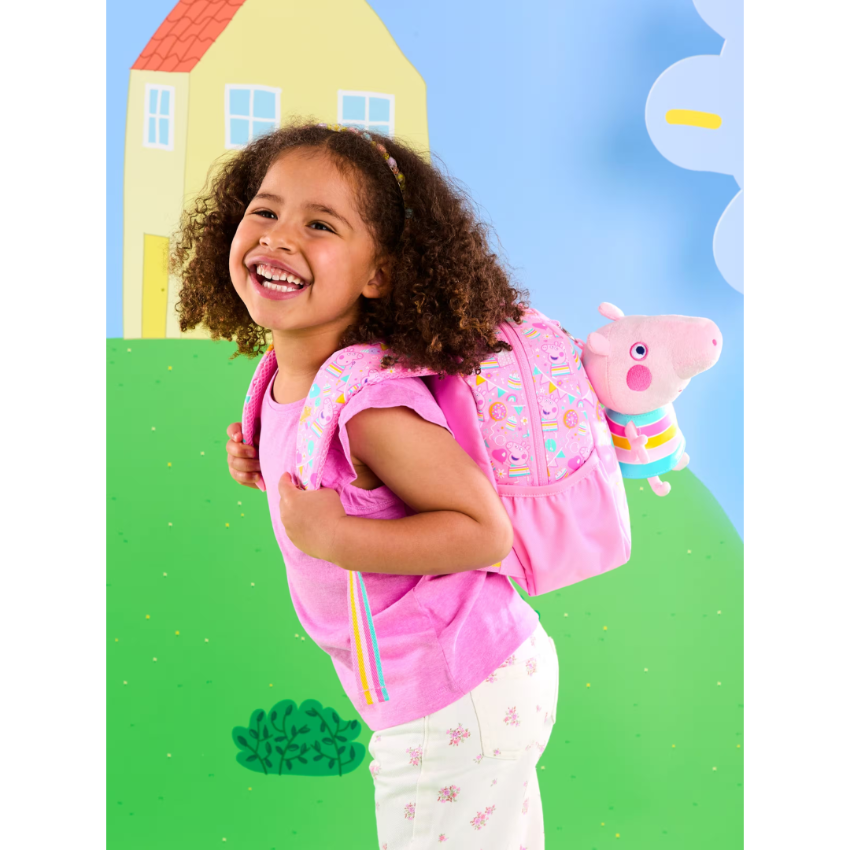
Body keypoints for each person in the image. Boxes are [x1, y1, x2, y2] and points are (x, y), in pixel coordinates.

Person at [172, 120, 560, 848]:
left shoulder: (370, 406)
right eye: (265, 210)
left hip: (457, 687)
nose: (279, 237)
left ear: (377, 274)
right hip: (448, 688)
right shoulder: (287, 376)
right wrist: (261, 464)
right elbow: (339, 484)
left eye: (320, 224)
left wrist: (336, 536)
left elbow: (484, 531)